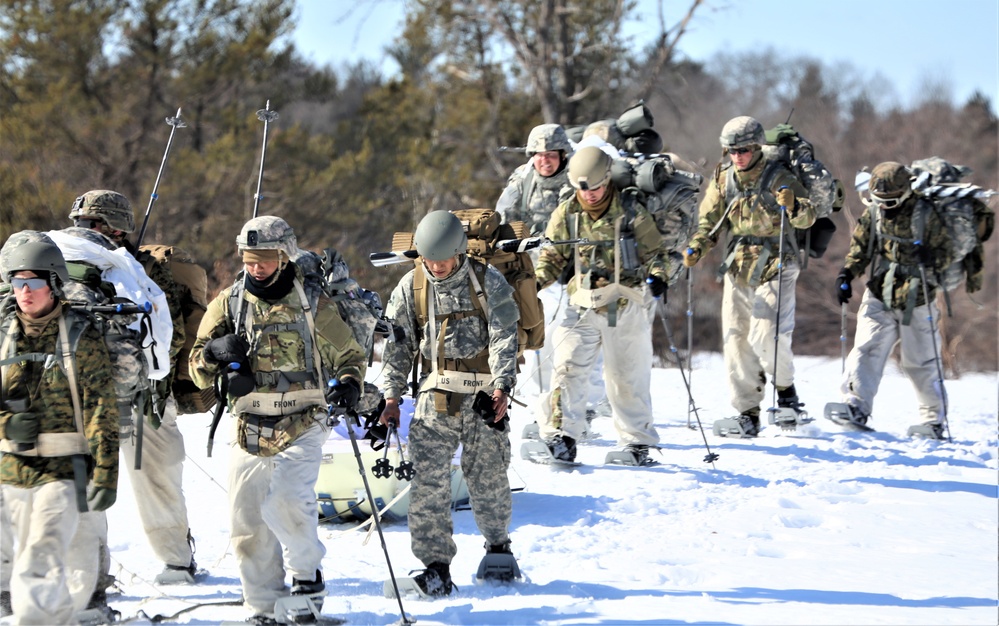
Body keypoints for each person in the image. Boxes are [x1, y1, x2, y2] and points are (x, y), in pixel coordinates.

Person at [190, 216, 366, 619]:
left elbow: (350, 354)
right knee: (246, 520)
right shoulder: (229, 302)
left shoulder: (311, 303)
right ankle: (263, 605)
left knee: (288, 500)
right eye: (250, 259)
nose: (257, 266)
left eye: (266, 258)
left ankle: (306, 579)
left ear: (285, 256)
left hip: (303, 420)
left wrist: (350, 382)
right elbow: (195, 367)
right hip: (249, 422)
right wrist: (214, 354)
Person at [378, 210, 520, 596]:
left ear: (460, 252)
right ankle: (436, 565)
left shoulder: (488, 281)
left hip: (483, 394)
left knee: (488, 476)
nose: (437, 267)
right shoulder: (412, 286)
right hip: (435, 395)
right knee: (428, 484)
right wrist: (390, 396)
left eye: (443, 260)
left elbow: (506, 335)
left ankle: (498, 546)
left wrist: (504, 385)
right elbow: (398, 346)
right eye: (429, 260)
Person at [66, 189, 199, 585]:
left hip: (147, 399)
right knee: (86, 487)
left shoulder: (142, 269)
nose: (86, 232)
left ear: (116, 229)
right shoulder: (56, 265)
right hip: (83, 398)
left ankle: (177, 561)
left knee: (157, 481)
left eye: (93, 225)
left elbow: (169, 331)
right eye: (82, 225)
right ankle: (89, 577)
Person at [0, 236, 119, 624]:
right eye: (17, 283)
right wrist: (5, 423)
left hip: (66, 470)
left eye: (33, 283)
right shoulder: (4, 335)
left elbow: (102, 406)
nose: (25, 293)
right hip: (13, 472)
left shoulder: (80, 335)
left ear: (53, 283)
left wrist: (106, 473)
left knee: (38, 559)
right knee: (30, 561)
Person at [533, 146, 670, 465]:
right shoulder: (567, 212)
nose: (590, 195)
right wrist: (535, 282)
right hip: (583, 303)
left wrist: (659, 275)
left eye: (595, 188)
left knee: (627, 376)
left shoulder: (631, 210)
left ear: (607, 180)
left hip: (624, 303)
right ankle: (562, 435)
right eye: (583, 189)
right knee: (566, 365)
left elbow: (656, 254)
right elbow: (552, 257)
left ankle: (636, 443)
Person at [683, 116, 816, 438]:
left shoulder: (778, 175)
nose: (738, 156)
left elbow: (808, 216)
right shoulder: (724, 178)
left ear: (757, 147)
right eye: (731, 150)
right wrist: (697, 248)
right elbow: (710, 222)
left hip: (777, 262)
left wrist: (794, 204)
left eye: (743, 149)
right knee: (736, 339)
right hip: (739, 265)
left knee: (766, 334)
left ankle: (787, 393)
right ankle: (747, 413)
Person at [495, 124, 609, 426]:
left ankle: (587, 407)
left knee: (579, 343)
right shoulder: (523, 179)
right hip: (535, 274)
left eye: (551, 155)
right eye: (539, 155)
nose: (544, 161)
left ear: (562, 154)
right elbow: (503, 217)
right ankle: (546, 410)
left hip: (575, 272)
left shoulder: (579, 177)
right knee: (540, 343)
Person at [830, 162, 953, 438]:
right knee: (866, 348)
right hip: (880, 292)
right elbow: (861, 248)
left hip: (918, 298)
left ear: (906, 192)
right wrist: (846, 273)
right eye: (879, 200)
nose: (885, 205)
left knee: (920, 361)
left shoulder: (926, 214)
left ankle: (933, 419)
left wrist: (931, 258)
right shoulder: (873, 213)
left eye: (890, 201)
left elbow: (947, 253)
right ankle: (856, 405)